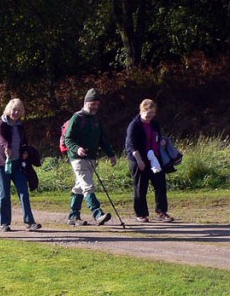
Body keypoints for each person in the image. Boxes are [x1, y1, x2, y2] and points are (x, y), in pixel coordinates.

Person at [63, 88, 117, 226]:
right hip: (77, 158)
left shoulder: (96, 120)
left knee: (79, 186)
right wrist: (77, 148)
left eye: (97, 104)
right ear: (85, 102)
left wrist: (111, 154)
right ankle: (97, 213)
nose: (94, 107)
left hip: (92, 157)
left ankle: (73, 216)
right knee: (87, 185)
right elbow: (68, 139)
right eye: (92, 104)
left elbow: (102, 139)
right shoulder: (77, 117)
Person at [0, 98, 41, 232]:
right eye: (14, 110)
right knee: (4, 194)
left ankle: (30, 221)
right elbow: (0, 139)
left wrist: (25, 152)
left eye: (19, 110)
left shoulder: (20, 125)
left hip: (18, 164)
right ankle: (4, 223)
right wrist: (7, 147)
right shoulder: (1, 124)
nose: (16, 113)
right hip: (2, 164)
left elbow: (24, 142)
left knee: (24, 192)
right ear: (9, 110)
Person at [125, 98, 174, 222]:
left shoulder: (155, 123)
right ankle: (141, 214)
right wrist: (139, 160)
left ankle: (162, 212)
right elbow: (131, 145)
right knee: (141, 187)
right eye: (148, 113)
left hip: (155, 159)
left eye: (152, 113)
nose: (150, 116)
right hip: (138, 159)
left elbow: (157, 136)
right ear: (142, 110)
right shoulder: (134, 125)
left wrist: (162, 140)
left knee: (160, 185)